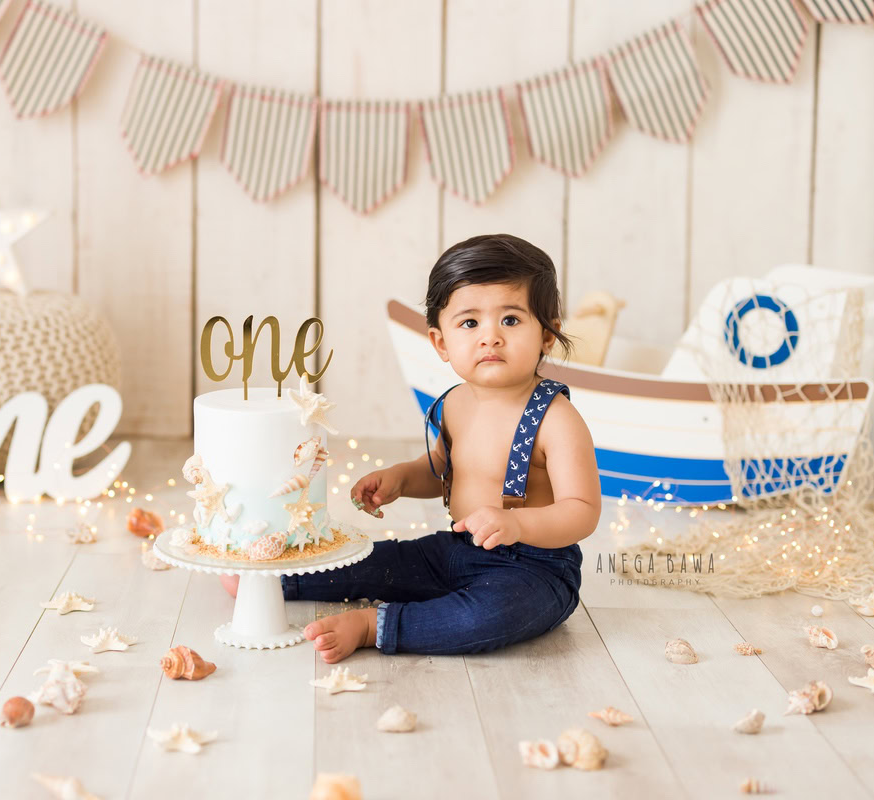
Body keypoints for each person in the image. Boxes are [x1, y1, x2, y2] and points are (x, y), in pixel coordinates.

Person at [222, 233, 601, 663]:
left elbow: (582, 510)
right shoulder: (455, 403)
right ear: (441, 342)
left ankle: (377, 625)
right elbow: (442, 468)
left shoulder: (556, 418)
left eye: (511, 321)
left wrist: (518, 526)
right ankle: (281, 581)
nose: (490, 337)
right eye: (470, 323)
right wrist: (402, 477)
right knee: (378, 561)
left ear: (547, 335)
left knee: (492, 615)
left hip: (533, 568)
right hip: (457, 549)